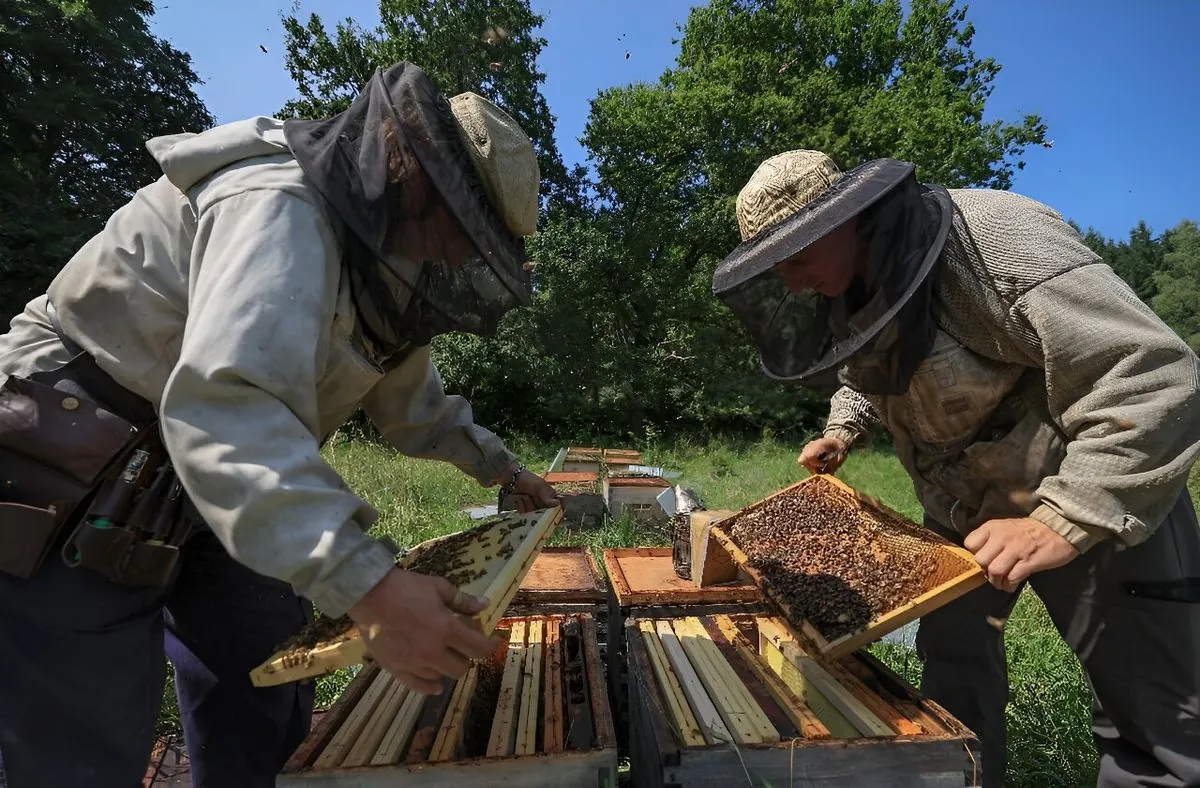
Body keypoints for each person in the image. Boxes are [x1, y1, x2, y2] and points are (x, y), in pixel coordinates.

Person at [0, 61, 559, 788]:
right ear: (415, 179)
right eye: (462, 229)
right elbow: (227, 403)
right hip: (76, 448)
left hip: (220, 469)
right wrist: (373, 587)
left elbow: (415, 405)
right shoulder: (279, 204)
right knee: (83, 740)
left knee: (264, 686)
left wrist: (503, 470)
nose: (456, 257)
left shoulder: (387, 268)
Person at [712, 149, 1200, 787]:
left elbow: (1152, 374)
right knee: (952, 671)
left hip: (1091, 490)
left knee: (1157, 713)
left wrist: (1068, 515)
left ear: (843, 222)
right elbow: (870, 364)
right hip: (961, 507)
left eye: (797, 260)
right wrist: (842, 429)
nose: (793, 283)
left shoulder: (1001, 244)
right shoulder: (852, 282)